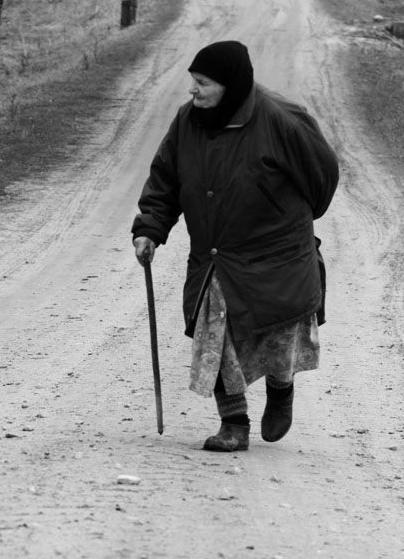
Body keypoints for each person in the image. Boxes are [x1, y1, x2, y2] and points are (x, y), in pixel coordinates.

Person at [131, 40, 339, 452]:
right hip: (215, 257)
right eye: (193, 82)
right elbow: (165, 180)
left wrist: (284, 215)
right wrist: (149, 229)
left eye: (203, 83)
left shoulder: (281, 119)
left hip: (274, 256)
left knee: (278, 337)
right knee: (215, 338)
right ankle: (234, 423)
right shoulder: (187, 121)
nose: (193, 91)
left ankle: (281, 390)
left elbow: (322, 178)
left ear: (230, 84)